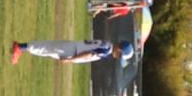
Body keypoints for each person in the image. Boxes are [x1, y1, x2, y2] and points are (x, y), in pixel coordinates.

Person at [9, 36, 137, 66]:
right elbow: (88, 55)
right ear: (119, 50)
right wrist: (71, 60)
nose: (118, 57)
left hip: (74, 46)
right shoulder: (105, 51)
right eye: (120, 55)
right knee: (46, 48)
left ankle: (21, 49)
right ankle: (19, 47)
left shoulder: (107, 45)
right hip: (72, 51)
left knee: (47, 50)